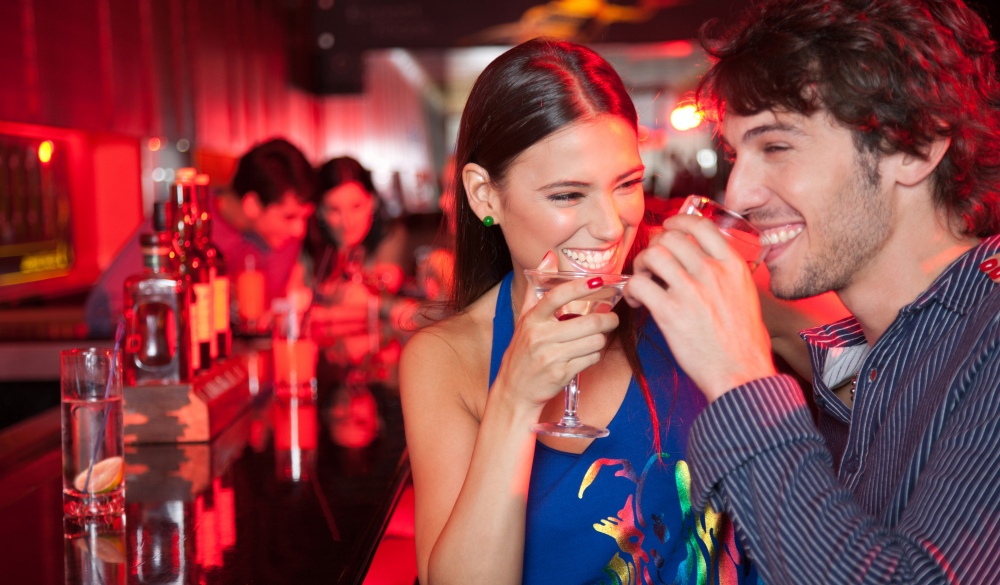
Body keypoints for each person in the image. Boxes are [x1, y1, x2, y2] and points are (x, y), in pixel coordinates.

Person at [623, 1, 1000, 583]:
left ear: (916, 147)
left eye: (775, 146)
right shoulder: (864, 356)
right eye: (734, 153)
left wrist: (738, 374)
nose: (739, 192)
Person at [400, 38, 759, 584]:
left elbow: (877, 340)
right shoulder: (447, 358)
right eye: (568, 195)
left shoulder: (688, 276)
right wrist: (515, 402)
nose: (612, 227)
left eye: (627, 185)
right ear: (483, 195)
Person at [84, 137, 315, 337]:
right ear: (252, 205)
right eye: (289, 217)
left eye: (305, 218)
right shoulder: (182, 221)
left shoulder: (282, 239)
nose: (299, 230)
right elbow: (102, 312)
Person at [303, 156, 414, 364]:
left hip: (381, 356)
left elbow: (372, 300)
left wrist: (326, 311)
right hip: (322, 363)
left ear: (372, 201)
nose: (347, 222)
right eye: (334, 210)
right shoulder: (309, 245)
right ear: (318, 210)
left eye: (356, 206)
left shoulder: (390, 236)